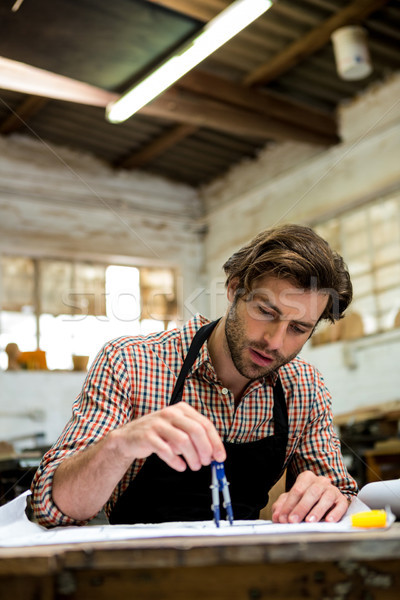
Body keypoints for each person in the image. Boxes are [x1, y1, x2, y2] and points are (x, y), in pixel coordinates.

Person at [31, 224, 358, 528]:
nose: (274, 341)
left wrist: (329, 496)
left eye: (298, 328)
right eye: (265, 311)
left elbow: (340, 494)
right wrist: (120, 446)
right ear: (233, 290)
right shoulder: (130, 362)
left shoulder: (305, 389)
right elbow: (50, 508)